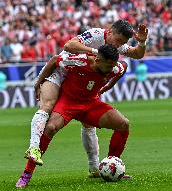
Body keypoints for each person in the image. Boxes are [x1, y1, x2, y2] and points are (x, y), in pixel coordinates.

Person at [24, 20, 148, 175]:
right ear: (109, 32)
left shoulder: (115, 45)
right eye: (118, 41)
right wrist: (95, 52)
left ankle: (95, 168)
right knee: (47, 107)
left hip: (80, 79)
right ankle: (34, 149)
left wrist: (142, 42)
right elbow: (69, 46)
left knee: (89, 124)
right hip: (61, 71)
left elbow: (136, 54)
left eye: (122, 43)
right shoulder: (95, 35)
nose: (119, 45)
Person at [16, 44, 130, 188]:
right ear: (98, 60)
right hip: (68, 103)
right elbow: (54, 60)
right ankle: (26, 174)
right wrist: (38, 83)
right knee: (50, 127)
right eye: (108, 66)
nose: (110, 71)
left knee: (123, 124)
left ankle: (113, 166)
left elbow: (123, 67)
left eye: (112, 66)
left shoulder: (114, 67)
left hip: (90, 104)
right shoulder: (79, 61)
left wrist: (109, 86)